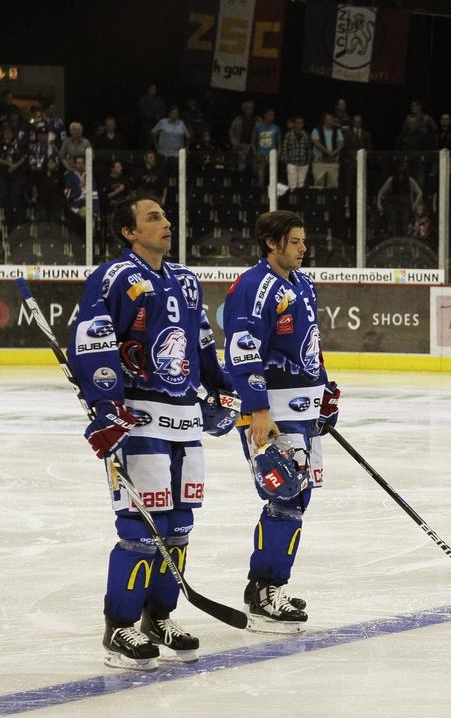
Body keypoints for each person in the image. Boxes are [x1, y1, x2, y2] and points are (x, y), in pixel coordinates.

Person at [67, 193, 236, 670]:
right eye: (153, 217)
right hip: (139, 419)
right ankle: (118, 626)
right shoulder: (114, 277)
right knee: (142, 530)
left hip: (184, 419)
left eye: (165, 215)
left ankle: (158, 616)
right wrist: (106, 406)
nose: (166, 223)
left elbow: (202, 343)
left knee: (179, 528)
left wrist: (221, 391)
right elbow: (94, 343)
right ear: (129, 232)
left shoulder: (184, 279)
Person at [222, 210, 341, 631]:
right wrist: (256, 409)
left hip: (301, 410)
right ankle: (265, 589)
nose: (303, 248)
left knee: (298, 498)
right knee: (285, 496)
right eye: (295, 241)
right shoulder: (255, 288)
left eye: (303, 241)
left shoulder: (303, 285)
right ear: (271, 243)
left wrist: (324, 392)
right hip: (271, 414)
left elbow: (311, 346)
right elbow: (242, 350)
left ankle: (271, 585)